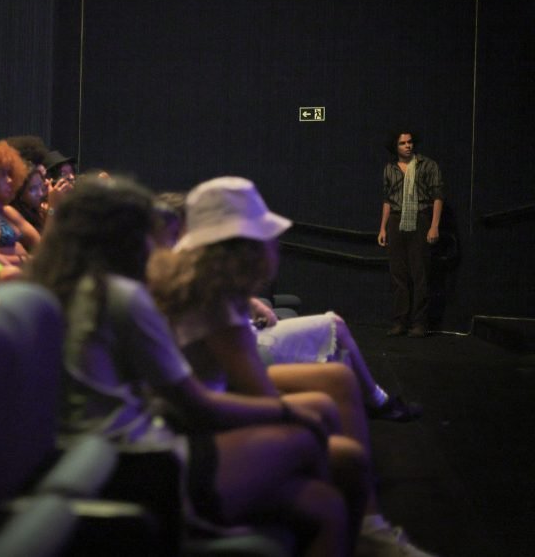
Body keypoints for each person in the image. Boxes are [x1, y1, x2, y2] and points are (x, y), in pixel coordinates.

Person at [28, 176, 365, 557]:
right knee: (315, 438)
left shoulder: (59, 289)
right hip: (139, 466)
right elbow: (194, 403)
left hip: (103, 461)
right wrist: (287, 409)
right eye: (150, 233)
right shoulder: (120, 295)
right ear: (125, 236)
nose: (158, 248)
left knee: (325, 504)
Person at [148, 176, 433, 556]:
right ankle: (367, 529)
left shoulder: (194, 280)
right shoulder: (213, 298)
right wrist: (300, 416)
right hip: (184, 439)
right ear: (244, 247)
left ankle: (367, 529)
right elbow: (257, 395)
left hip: (179, 416)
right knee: (341, 451)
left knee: (331, 389)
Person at [378, 131, 444, 337]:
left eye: (410, 142)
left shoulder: (428, 165)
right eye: (402, 143)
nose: (407, 146)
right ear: (395, 147)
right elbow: (388, 199)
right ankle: (400, 322)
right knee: (398, 274)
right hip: (396, 221)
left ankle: (419, 323)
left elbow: (438, 196)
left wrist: (434, 225)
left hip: (420, 218)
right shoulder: (390, 168)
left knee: (420, 274)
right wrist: (382, 227)